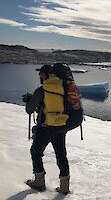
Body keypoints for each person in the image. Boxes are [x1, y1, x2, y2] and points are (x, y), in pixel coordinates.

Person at [23, 64, 70, 194]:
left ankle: (39, 181)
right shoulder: (62, 88)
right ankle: (65, 186)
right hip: (60, 127)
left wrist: (29, 100)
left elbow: (29, 110)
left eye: (40, 74)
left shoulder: (42, 90)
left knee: (35, 152)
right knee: (61, 155)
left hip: (45, 128)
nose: (39, 76)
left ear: (45, 75)